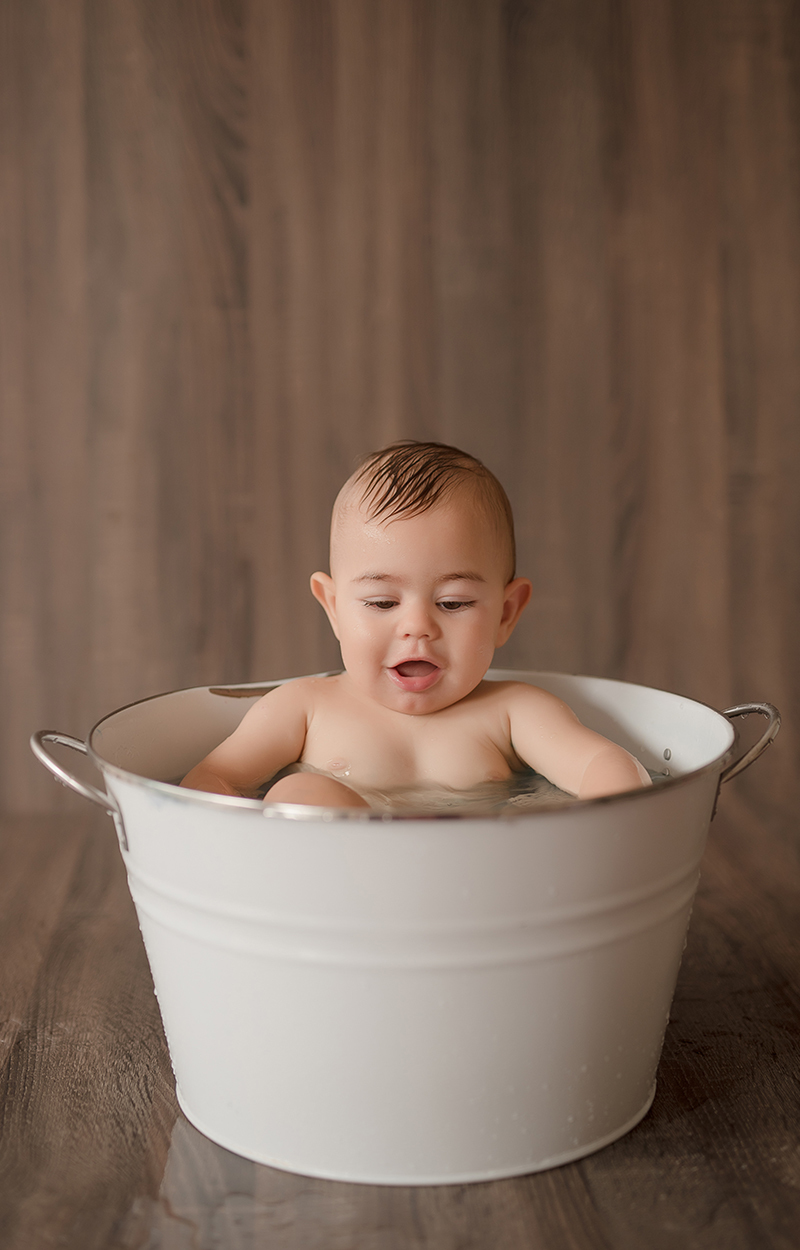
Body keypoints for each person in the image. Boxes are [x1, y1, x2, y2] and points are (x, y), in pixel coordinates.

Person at [181, 441, 651, 807]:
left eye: (453, 603)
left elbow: (604, 764)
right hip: (339, 888)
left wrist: (606, 811)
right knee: (299, 798)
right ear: (334, 608)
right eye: (382, 602)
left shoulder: (515, 712)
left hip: (482, 887)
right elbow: (211, 780)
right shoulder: (302, 709)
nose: (417, 627)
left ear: (506, 613)